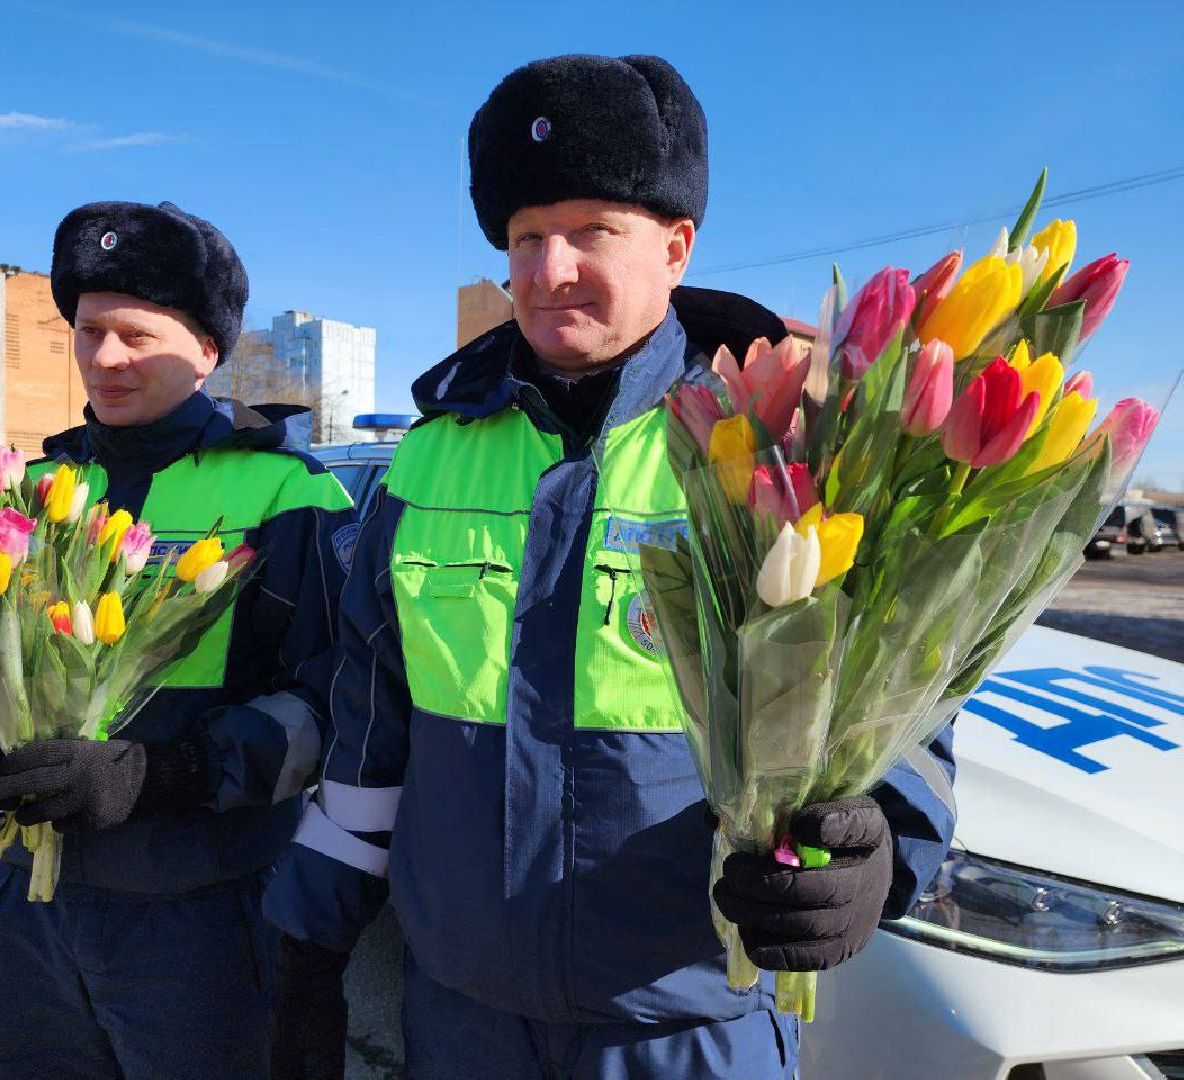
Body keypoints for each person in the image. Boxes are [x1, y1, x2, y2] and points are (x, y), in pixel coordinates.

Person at [263, 55, 957, 1078]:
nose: (550, 271)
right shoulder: (429, 455)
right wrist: (303, 945)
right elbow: (372, 741)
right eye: (527, 238)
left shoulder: (776, 446)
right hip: (461, 1022)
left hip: (688, 1028)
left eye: (592, 232)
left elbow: (899, 706)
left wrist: (878, 852)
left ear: (676, 247)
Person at [0, 200, 355, 1079]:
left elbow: (334, 705)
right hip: (28, 909)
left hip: (202, 913)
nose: (105, 359)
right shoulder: (29, 488)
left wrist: (168, 776)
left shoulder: (284, 492)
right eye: (87, 331)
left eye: (136, 334)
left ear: (208, 350)